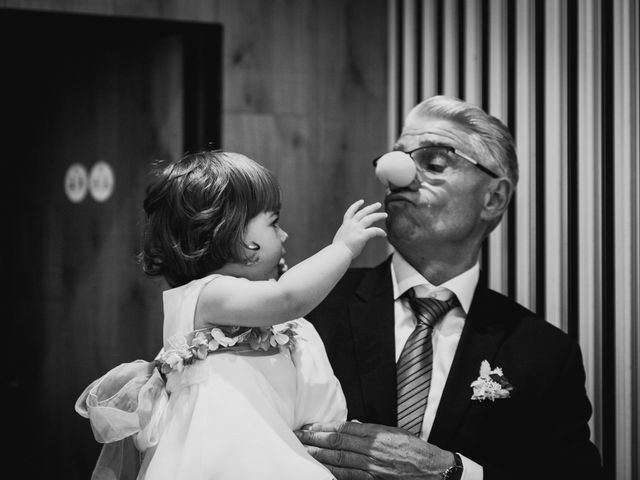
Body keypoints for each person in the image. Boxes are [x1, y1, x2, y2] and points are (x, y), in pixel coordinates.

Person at [299, 96, 604, 480]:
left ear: (493, 198)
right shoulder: (312, 309)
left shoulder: (544, 353)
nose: (399, 176)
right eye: (399, 158)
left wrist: (453, 471)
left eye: (434, 162)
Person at [75, 150, 387, 480]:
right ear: (234, 236)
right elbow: (289, 297)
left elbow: (317, 402)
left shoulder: (288, 328)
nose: (284, 235)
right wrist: (343, 249)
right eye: (274, 223)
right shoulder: (206, 295)